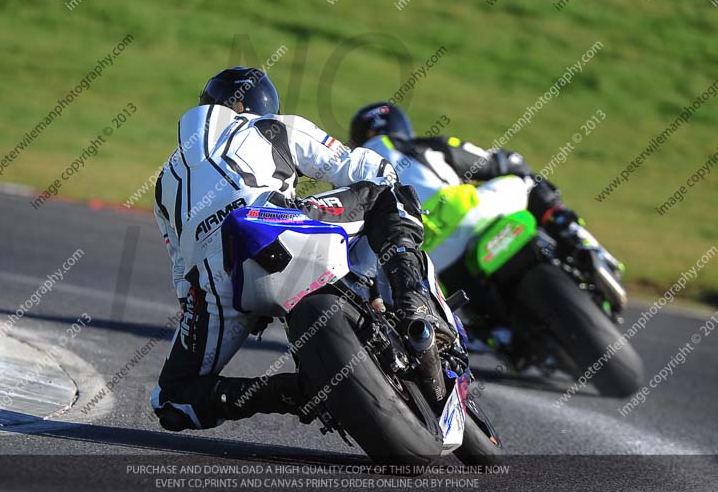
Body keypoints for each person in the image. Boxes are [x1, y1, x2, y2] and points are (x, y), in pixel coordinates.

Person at [151, 68, 464, 432]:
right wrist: (387, 177)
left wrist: (201, 307)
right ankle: (413, 300)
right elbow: (355, 166)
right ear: (256, 104)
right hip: (276, 222)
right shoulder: (272, 126)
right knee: (388, 193)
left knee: (173, 398)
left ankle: (294, 391)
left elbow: (179, 267)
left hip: (214, 281)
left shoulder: (163, 182)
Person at [347, 101, 622, 290]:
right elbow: (505, 162)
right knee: (523, 178)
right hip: (471, 211)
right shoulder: (428, 146)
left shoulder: (351, 178)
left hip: (424, 255)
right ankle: (575, 235)